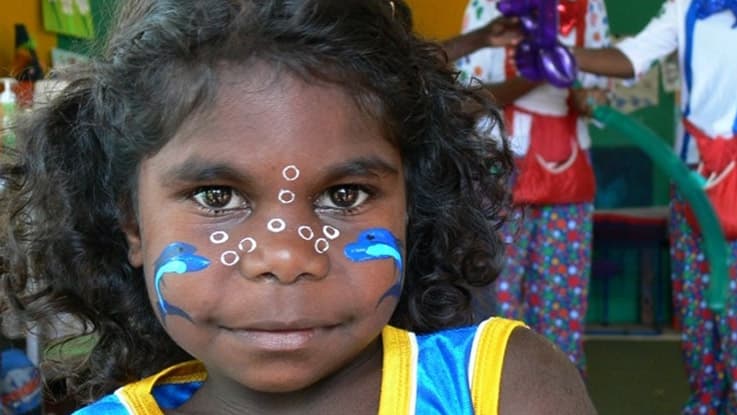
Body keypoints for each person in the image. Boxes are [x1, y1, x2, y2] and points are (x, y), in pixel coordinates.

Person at [0, 0, 597, 414]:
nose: (285, 257)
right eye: (217, 197)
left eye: (344, 195)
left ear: (412, 207)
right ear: (131, 223)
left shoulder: (503, 387)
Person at [570, 1, 737, 413]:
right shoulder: (686, 7)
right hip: (693, 182)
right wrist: (558, 54)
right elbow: (634, 55)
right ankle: (707, 402)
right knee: (700, 325)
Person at [443, 0, 612, 375]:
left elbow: (601, 84)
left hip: (566, 173)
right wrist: (539, 74)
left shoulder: (589, 7)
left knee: (561, 309)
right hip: (494, 175)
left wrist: (592, 96)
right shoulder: (486, 8)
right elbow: (463, 98)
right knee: (493, 308)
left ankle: (558, 394)